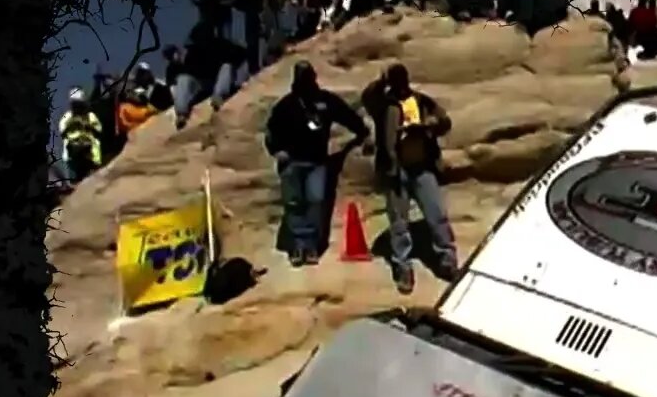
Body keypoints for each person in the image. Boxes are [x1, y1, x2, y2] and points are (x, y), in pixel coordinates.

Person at [264, 61, 370, 267]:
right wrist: (277, 151)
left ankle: (311, 245)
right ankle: (297, 246)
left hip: (317, 161)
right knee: (294, 204)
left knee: (315, 200)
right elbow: (271, 132)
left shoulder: (325, 101)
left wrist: (362, 133)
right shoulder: (287, 105)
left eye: (308, 75)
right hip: (291, 163)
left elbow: (346, 115)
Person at [376, 63, 457, 295]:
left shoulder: (421, 100)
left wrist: (426, 127)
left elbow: (444, 121)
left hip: (422, 166)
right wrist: (380, 83)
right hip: (396, 170)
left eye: (403, 79)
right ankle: (403, 267)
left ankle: (447, 262)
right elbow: (368, 96)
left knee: (437, 215)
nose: (401, 84)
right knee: (399, 222)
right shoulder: (383, 104)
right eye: (395, 80)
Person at [173, 20, 246, 130]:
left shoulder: (221, 45)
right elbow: (187, 73)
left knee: (227, 67)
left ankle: (219, 97)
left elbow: (241, 54)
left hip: (219, 82)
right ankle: (182, 114)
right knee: (183, 78)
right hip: (202, 84)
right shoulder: (192, 51)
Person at [59, 89, 103, 183]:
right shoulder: (67, 117)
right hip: (73, 157)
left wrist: (87, 125)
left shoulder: (90, 116)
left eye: (79, 104)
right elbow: (62, 132)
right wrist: (72, 123)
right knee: (75, 185)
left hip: (90, 157)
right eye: (75, 104)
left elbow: (99, 131)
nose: (77, 107)